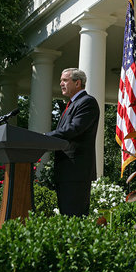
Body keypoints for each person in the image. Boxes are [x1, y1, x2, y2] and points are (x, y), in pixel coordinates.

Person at [46, 68, 100, 216]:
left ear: (78, 83)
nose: (61, 84)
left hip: (76, 172)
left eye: (65, 80)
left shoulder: (87, 102)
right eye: (60, 81)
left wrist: (46, 136)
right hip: (66, 171)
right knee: (67, 217)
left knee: (74, 218)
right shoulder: (72, 104)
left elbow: (74, 129)